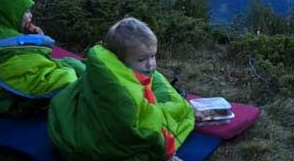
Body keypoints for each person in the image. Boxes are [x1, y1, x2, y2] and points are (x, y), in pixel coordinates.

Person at [48, 17, 194, 161]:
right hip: (97, 145)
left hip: (75, 131)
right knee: (182, 110)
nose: (151, 64)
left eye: (153, 56)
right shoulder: (127, 92)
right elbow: (150, 129)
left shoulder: (103, 63)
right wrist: (168, 154)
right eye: (142, 59)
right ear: (119, 59)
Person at [0, 0, 85, 115]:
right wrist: (40, 40)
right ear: (12, 15)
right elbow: (27, 66)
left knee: (70, 62)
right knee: (69, 74)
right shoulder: (13, 42)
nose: (31, 16)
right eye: (26, 12)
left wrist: (38, 39)